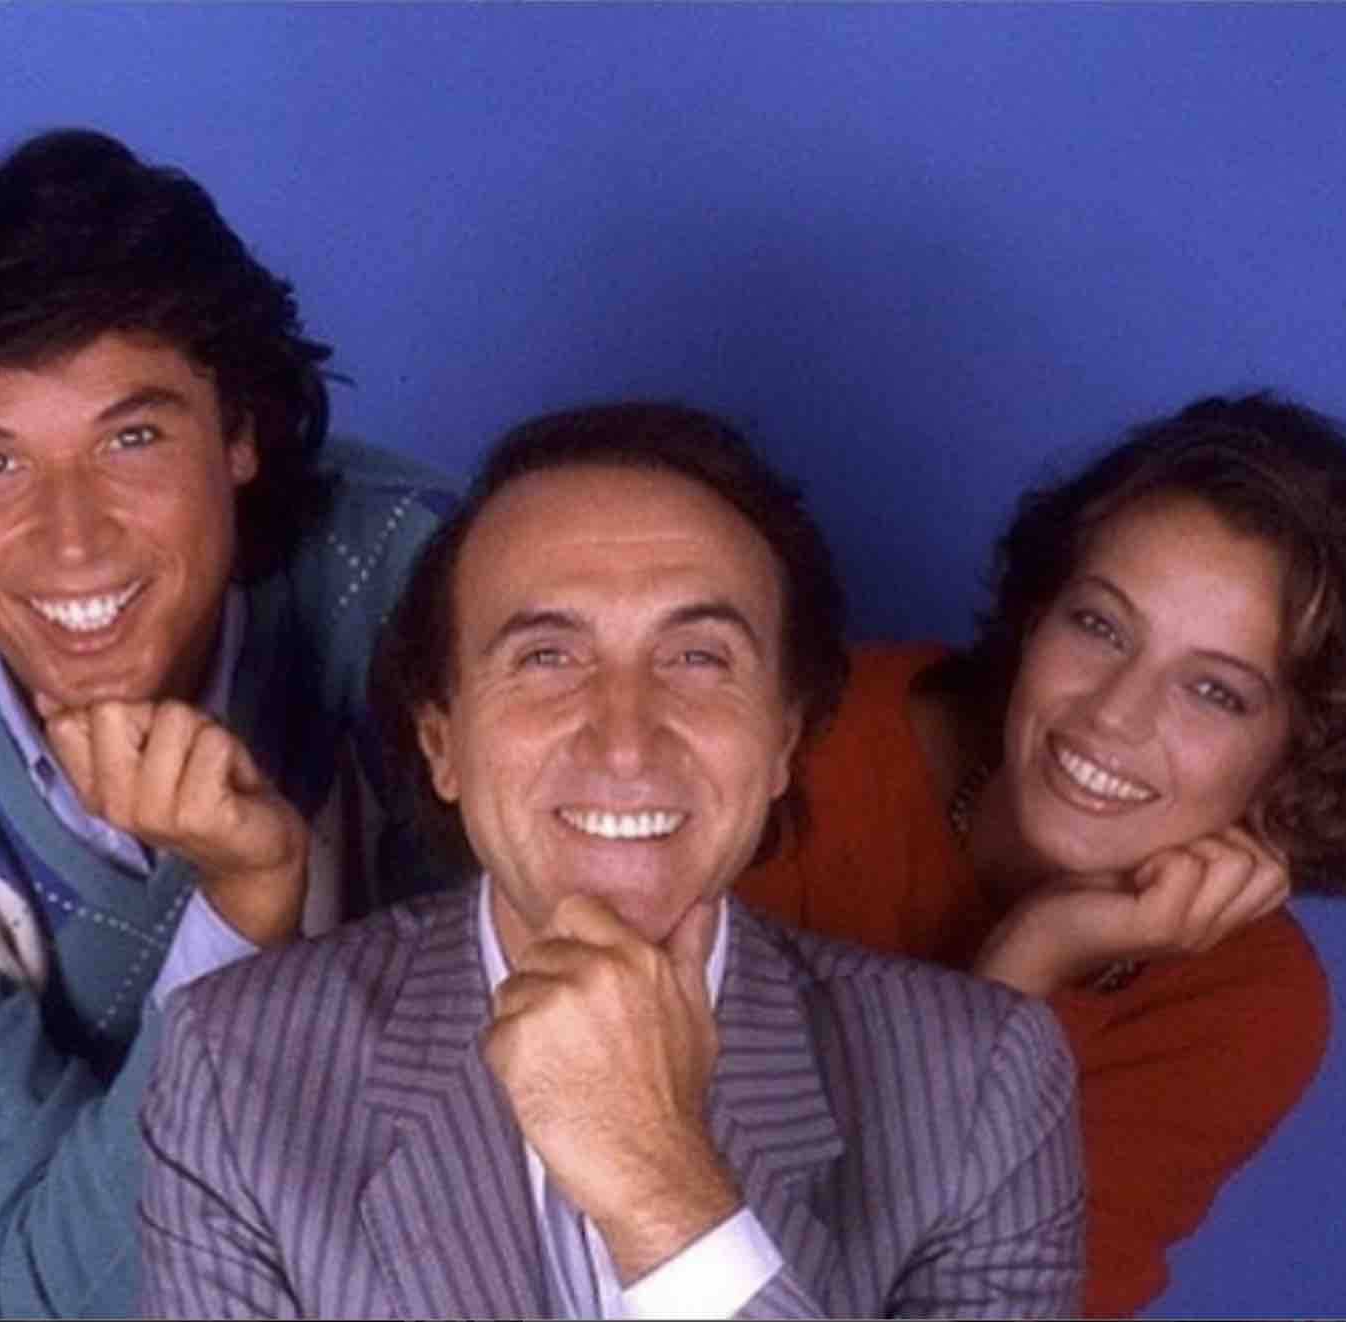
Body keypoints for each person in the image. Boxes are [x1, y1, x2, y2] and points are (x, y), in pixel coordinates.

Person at [0, 129, 457, 1318]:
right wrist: (240, 908)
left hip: (347, 1177)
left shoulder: (419, 582)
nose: (73, 537)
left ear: (241, 433)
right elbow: (44, 1297)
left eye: (132, 437)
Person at [139, 402, 1086, 1319]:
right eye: (547, 658)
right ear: (441, 744)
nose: (626, 743)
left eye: (698, 658)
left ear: (783, 742)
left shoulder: (983, 1086)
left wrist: (661, 1188)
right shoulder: (234, 1068)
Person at [738, 393, 1346, 1317]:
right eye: (1100, 626)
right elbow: (658, 1207)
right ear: (1038, 614)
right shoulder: (814, 741)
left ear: (1302, 753)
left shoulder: (1249, 1005)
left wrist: (1034, 961)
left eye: (1214, 691)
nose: (1114, 715)